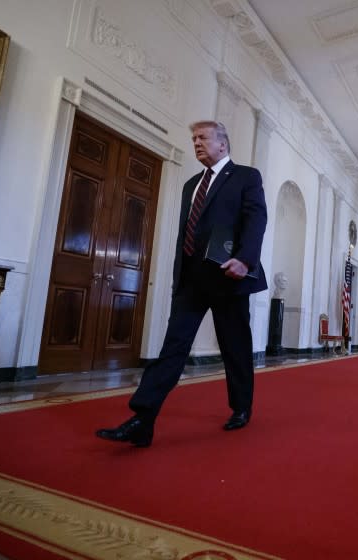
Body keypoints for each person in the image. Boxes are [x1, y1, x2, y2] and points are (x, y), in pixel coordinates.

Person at [96, 121, 268, 447]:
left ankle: (241, 407)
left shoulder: (246, 176)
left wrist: (245, 259)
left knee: (235, 348)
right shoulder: (191, 184)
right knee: (172, 348)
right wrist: (178, 276)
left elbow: (256, 219)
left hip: (228, 276)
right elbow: (186, 232)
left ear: (222, 144)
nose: (197, 143)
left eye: (202, 138)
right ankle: (143, 420)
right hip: (192, 280)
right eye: (193, 139)